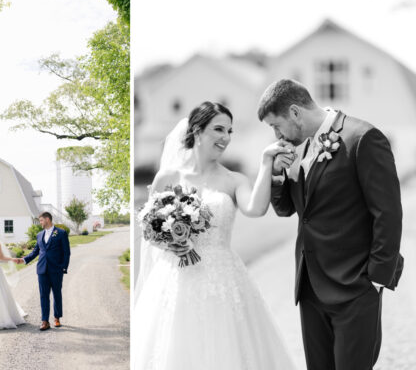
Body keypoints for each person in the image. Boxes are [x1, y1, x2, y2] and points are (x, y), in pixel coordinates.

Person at [134, 99, 295, 370]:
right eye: (219, 129)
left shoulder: (235, 180)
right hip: (175, 280)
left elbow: (255, 208)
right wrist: (171, 244)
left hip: (223, 280)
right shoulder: (167, 177)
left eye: (230, 131)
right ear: (197, 130)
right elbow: (150, 228)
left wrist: (266, 163)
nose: (226, 138)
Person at [262, 74, 404, 370]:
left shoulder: (363, 137)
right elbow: (288, 209)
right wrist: (277, 174)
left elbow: (387, 213)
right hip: (311, 288)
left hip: (354, 286)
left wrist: (376, 279)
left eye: (276, 125)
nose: (277, 135)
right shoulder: (301, 148)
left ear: (295, 113)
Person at [25, 213, 71, 329]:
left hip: (56, 270)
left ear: (47, 219)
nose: (40, 222)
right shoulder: (39, 235)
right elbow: (35, 251)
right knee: (43, 295)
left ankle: (57, 318)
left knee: (57, 294)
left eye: (41, 220)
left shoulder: (61, 233)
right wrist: (24, 259)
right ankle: (45, 321)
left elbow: (66, 252)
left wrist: (64, 267)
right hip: (42, 270)